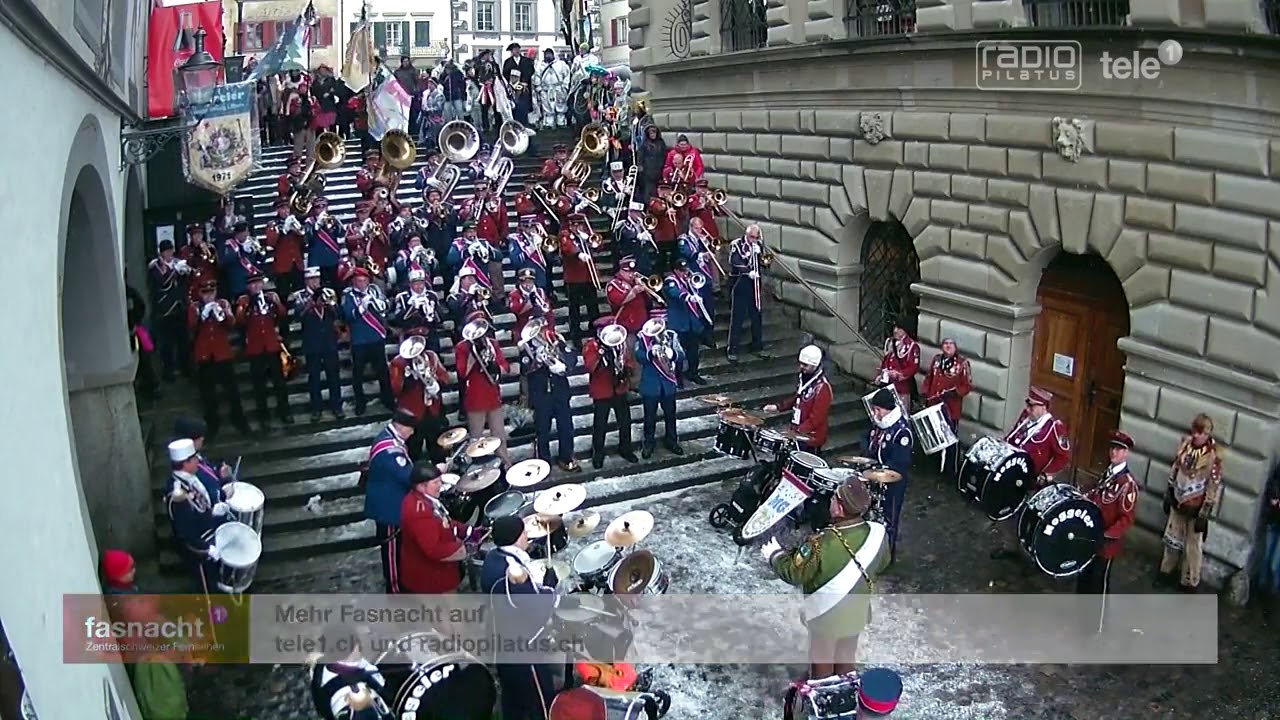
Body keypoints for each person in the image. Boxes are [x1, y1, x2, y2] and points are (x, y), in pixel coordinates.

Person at [763, 477, 890, 680]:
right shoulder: (878, 534)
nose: (830, 501)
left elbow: (794, 573)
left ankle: (824, 694)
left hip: (825, 615)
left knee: (821, 657)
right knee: (846, 654)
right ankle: (847, 691)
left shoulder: (821, 544)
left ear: (839, 509)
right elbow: (883, 563)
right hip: (857, 610)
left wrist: (775, 555)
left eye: (833, 498)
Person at [480, 515, 560, 720]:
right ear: (515, 538)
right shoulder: (512, 571)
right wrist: (550, 588)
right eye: (524, 532)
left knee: (513, 698)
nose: (527, 536)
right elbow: (534, 608)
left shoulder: (492, 557)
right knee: (540, 700)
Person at [991, 386, 1071, 560]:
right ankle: (1009, 545)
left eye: (1032, 406)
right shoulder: (1025, 418)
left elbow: (1063, 457)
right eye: (1028, 405)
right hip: (1013, 474)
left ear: (1043, 407)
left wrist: (1048, 474)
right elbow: (1012, 436)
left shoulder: (1054, 428)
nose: (1028, 409)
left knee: (1028, 518)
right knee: (1008, 510)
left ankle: (1031, 552)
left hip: (1033, 480)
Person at [1077, 431, 1139, 632]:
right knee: (1085, 578)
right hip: (1091, 536)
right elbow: (1098, 495)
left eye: (1119, 449)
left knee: (1098, 584)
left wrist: (1106, 535)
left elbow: (1126, 519)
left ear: (1126, 453)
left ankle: (1097, 626)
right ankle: (1082, 617)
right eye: (1112, 448)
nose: (1113, 452)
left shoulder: (1127, 484)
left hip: (1105, 543)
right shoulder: (1108, 473)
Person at [1157, 413, 1225, 592]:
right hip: (1178, 501)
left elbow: (1213, 486)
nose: (1196, 435)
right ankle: (1165, 572)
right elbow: (1176, 468)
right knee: (1171, 540)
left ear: (1208, 434)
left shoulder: (1213, 456)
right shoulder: (1185, 446)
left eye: (1201, 432)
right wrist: (1169, 492)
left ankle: (1189, 582)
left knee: (1192, 548)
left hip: (1196, 508)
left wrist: (1205, 512)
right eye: (1195, 431)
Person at [363, 408, 419, 593]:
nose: (412, 433)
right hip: (388, 508)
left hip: (394, 501)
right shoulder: (390, 450)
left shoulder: (391, 438)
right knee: (391, 551)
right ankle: (395, 589)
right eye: (411, 429)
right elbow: (405, 475)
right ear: (402, 427)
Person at [400, 462, 477, 593]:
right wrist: (466, 549)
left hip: (437, 573)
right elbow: (433, 549)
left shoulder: (425, 500)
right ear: (421, 486)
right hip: (431, 579)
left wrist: (467, 531)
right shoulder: (419, 513)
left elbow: (444, 521)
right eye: (435, 483)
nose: (440, 486)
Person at [165, 439, 229, 592]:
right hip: (199, 549)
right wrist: (207, 549)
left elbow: (200, 506)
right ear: (185, 463)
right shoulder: (178, 496)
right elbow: (186, 532)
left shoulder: (188, 478)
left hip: (208, 533)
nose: (197, 462)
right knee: (209, 589)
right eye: (194, 459)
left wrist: (212, 511)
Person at [188, 280, 249, 438]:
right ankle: (212, 423)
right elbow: (191, 327)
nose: (208, 296)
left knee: (232, 391)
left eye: (211, 292)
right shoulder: (194, 307)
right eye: (205, 293)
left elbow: (231, 324)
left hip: (222, 353)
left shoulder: (222, 303)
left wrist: (221, 313)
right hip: (204, 355)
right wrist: (202, 314)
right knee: (208, 394)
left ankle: (238, 418)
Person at [520, 318, 581, 472]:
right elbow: (524, 369)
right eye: (537, 329)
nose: (540, 332)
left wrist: (563, 366)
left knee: (566, 425)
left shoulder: (555, 339)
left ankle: (566, 456)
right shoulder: (526, 347)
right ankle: (543, 460)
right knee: (542, 429)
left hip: (560, 390)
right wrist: (537, 361)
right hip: (541, 393)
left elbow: (571, 355)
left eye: (541, 328)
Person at [235, 273, 293, 429]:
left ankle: (284, 411)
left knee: (279, 382)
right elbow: (239, 321)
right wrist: (248, 307)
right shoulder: (243, 300)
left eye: (258, 283)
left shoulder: (270, 296)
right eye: (252, 284)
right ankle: (264, 416)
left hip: (272, 344)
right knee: (259, 385)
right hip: (255, 347)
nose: (255, 287)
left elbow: (282, 314)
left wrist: (274, 303)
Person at [456, 314, 513, 466]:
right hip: (475, 396)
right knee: (476, 436)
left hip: (493, 393)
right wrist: (473, 357)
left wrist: (494, 366)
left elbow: (506, 367)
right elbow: (462, 373)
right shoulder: (462, 347)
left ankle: (505, 463)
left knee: (499, 433)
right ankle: (476, 467)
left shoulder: (492, 343)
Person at [583, 316, 638, 469]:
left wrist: (627, 369)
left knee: (625, 421)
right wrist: (602, 354)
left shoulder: (620, 344)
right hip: (602, 391)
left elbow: (628, 361)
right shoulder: (591, 346)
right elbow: (590, 367)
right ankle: (598, 453)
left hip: (619, 387)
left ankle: (625, 448)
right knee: (600, 424)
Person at [865, 388, 913, 562]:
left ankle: (887, 556)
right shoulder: (879, 425)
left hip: (893, 484)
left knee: (889, 520)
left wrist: (880, 469)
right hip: (876, 479)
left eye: (878, 409)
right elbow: (867, 441)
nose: (875, 413)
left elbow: (901, 462)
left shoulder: (901, 432)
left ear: (888, 409)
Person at [290, 268, 345, 422]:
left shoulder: (329, 293)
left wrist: (330, 305)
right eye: (312, 279)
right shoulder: (301, 296)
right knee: (314, 378)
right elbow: (297, 316)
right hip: (312, 343)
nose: (315, 282)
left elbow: (338, 313)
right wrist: (311, 304)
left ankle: (337, 406)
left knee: (333, 375)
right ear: (306, 281)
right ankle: (316, 408)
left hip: (329, 342)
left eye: (317, 279)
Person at [342, 268, 395, 415]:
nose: (362, 284)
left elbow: (385, 307)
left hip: (376, 337)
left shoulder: (374, 290)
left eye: (364, 281)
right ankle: (360, 403)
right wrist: (362, 307)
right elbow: (348, 314)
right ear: (354, 281)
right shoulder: (348, 295)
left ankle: (388, 400)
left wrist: (377, 302)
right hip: (359, 341)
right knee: (358, 374)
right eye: (359, 281)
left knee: (383, 372)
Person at [389, 339, 451, 464]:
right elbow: (395, 389)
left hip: (433, 410)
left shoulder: (431, 357)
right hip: (412, 414)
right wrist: (407, 380)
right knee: (413, 450)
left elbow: (445, 377)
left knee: (437, 448)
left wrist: (436, 381)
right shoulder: (398, 363)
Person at [764, 346, 834, 454]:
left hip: (810, 437)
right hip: (799, 431)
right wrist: (778, 407)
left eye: (805, 365)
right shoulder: (804, 378)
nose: (801, 367)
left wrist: (797, 432)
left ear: (815, 365)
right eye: (800, 363)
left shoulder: (822, 388)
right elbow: (797, 397)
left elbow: (816, 419)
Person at [919, 337, 972, 474]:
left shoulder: (962, 364)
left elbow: (966, 386)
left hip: (950, 409)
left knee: (950, 439)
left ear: (955, 347)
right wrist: (925, 392)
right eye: (945, 344)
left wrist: (954, 393)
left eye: (950, 344)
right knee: (934, 436)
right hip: (933, 405)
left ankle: (949, 470)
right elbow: (929, 377)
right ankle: (934, 466)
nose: (947, 346)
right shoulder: (937, 360)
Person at [635, 313, 684, 459]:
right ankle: (648, 443)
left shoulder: (671, 335)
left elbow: (681, 354)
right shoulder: (642, 337)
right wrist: (651, 354)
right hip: (651, 384)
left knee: (670, 414)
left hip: (667, 383)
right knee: (649, 417)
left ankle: (672, 440)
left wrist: (672, 354)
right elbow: (638, 356)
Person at [147, 240, 192, 382]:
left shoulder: (177, 262)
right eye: (167, 251)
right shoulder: (155, 266)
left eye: (171, 251)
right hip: (165, 311)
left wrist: (186, 272)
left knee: (183, 340)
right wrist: (174, 271)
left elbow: (186, 280)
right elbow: (162, 282)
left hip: (180, 307)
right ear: (161, 252)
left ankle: (185, 368)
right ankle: (169, 372)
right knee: (167, 344)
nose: (170, 254)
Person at [662, 258, 708, 386]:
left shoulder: (688, 280)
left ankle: (693, 373)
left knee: (693, 350)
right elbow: (674, 292)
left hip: (691, 322)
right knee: (678, 353)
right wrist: (688, 297)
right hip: (678, 322)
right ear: (675, 270)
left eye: (685, 270)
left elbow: (698, 286)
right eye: (681, 271)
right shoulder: (670, 281)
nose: (684, 273)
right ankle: (677, 377)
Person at [558, 214, 602, 345]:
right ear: (570, 225)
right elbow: (567, 248)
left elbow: (598, 247)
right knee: (574, 309)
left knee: (593, 306)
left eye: (579, 225)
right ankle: (575, 335)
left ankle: (595, 330)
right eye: (574, 225)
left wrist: (588, 239)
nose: (577, 227)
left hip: (588, 276)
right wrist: (578, 253)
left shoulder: (587, 233)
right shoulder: (565, 235)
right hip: (573, 278)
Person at [727, 224, 765, 362]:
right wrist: (747, 271)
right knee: (737, 317)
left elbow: (765, 263)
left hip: (754, 284)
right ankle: (732, 349)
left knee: (757, 316)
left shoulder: (758, 245)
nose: (753, 240)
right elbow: (734, 260)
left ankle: (757, 346)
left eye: (756, 237)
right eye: (751, 237)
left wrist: (759, 254)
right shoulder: (736, 244)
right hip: (740, 282)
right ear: (746, 234)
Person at [605, 256, 650, 335]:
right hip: (626, 325)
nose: (631, 275)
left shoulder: (636, 282)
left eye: (633, 272)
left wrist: (645, 288)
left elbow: (649, 299)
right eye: (628, 272)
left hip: (642, 323)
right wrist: (633, 292)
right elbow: (618, 301)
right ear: (621, 271)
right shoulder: (614, 284)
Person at [877, 323, 920, 406]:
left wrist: (900, 373)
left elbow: (913, 367)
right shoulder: (890, 343)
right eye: (895, 328)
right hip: (887, 386)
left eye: (899, 328)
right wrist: (880, 375)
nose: (895, 331)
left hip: (901, 388)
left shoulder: (911, 346)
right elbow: (885, 362)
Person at [1257, 463, 1280, 599]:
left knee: (1274, 562)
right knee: (1266, 557)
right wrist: (1275, 499)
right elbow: (1273, 483)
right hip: (1273, 518)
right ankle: (1260, 592)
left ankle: (1273, 593)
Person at [534, 47, 570, 129]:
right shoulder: (540, 65)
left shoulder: (561, 64)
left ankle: (561, 122)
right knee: (547, 107)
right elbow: (537, 77)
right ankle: (548, 123)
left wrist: (565, 86)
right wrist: (539, 88)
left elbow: (567, 75)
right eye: (546, 54)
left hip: (558, 88)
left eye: (549, 53)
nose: (548, 55)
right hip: (546, 89)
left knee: (560, 105)